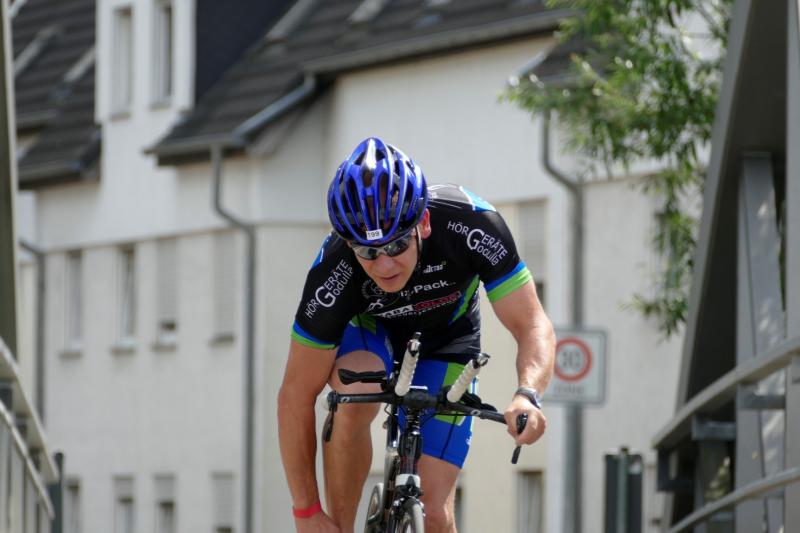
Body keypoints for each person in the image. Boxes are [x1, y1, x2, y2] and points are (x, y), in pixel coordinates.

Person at [278, 137, 555, 533]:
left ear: (422, 223)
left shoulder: (470, 224)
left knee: (435, 515)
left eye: (396, 244)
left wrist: (528, 393)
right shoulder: (333, 271)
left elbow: (532, 324)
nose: (384, 264)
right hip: (371, 333)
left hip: (446, 341)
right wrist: (306, 512)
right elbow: (294, 395)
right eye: (368, 252)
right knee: (354, 394)